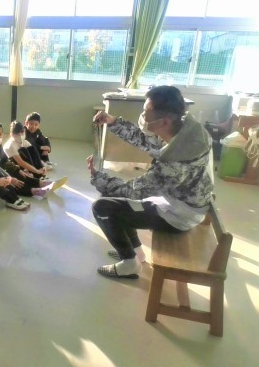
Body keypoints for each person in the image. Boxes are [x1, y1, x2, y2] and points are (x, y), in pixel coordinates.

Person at [88, 85, 213, 279]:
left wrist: (98, 178)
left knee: (103, 207)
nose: (143, 117)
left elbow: (133, 191)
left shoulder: (176, 161)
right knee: (120, 203)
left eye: (146, 113)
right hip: (179, 202)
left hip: (179, 216)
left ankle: (129, 263)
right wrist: (112, 122)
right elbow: (146, 141)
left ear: (164, 121)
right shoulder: (185, 133)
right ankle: (137, 253)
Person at [0, 121, 53, 199]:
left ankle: (41, 183)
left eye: (0, 134)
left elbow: (6, 161)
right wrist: (10, 178)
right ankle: (34, 191)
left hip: (2, 170)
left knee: (19, 174)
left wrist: (18, 171)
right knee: (11, 182)